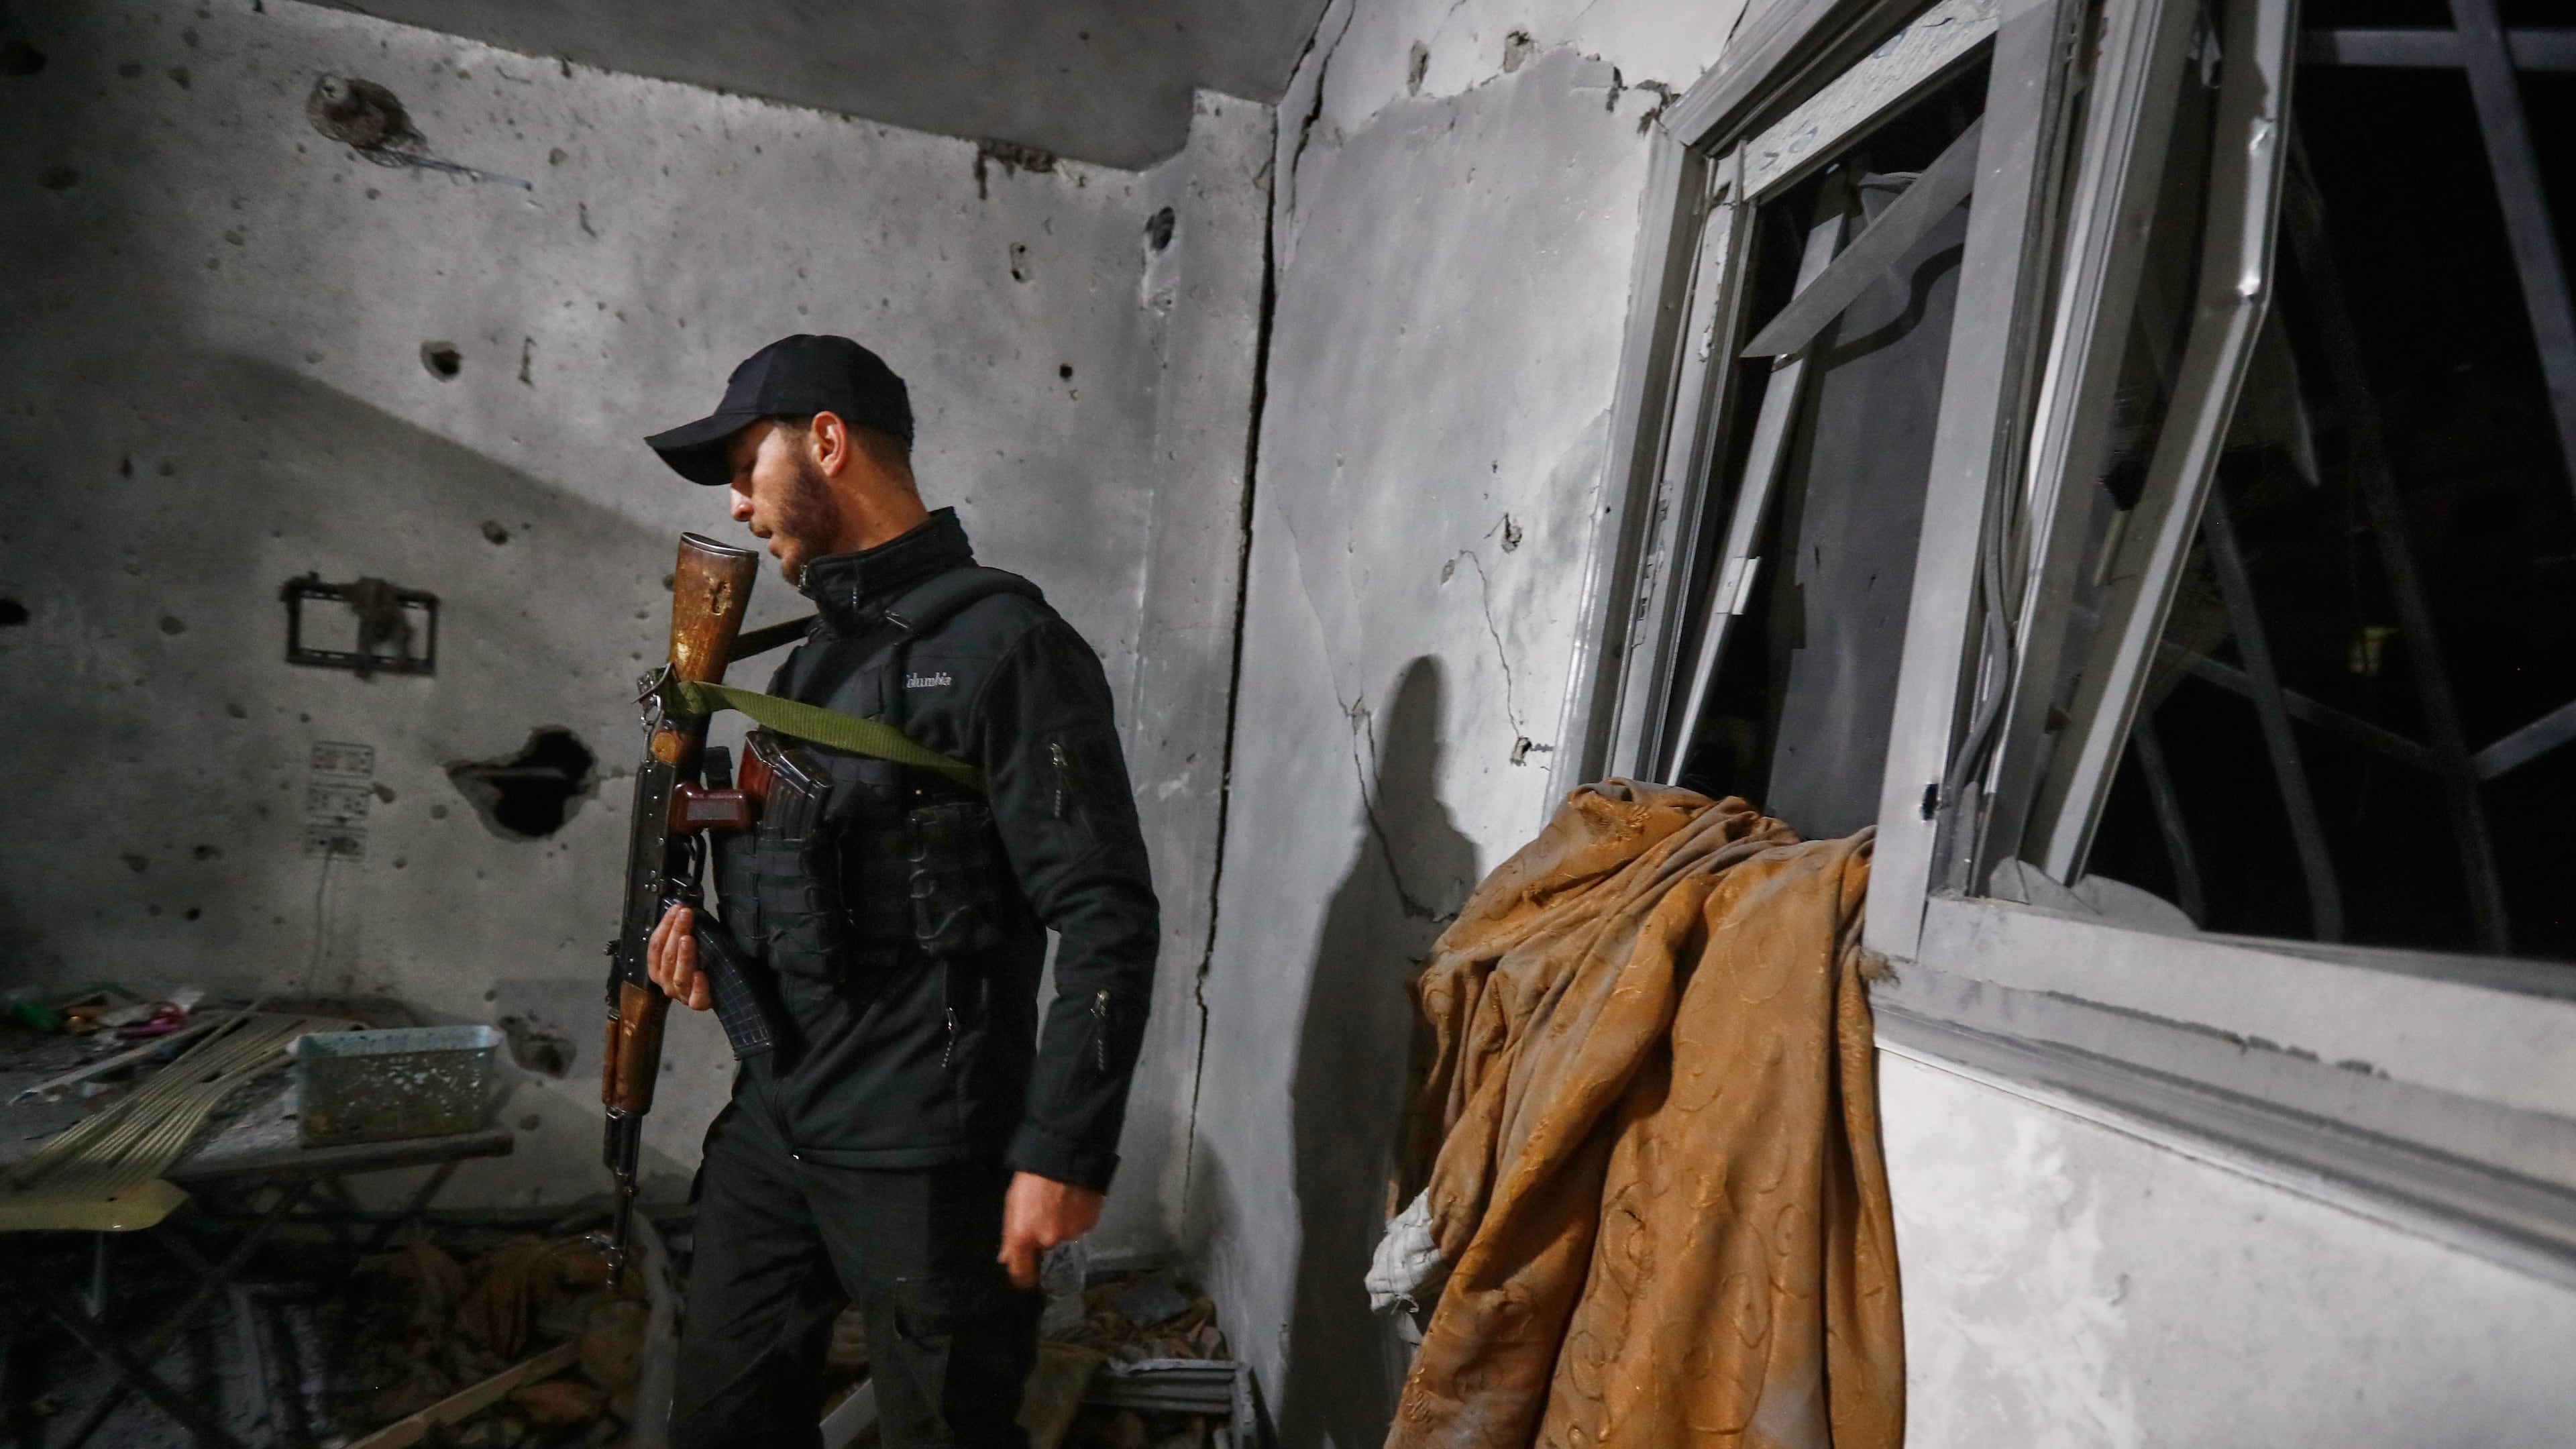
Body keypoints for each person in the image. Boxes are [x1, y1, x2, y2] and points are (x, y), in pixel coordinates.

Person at [639, 334, 1160, 1449]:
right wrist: (710, 951)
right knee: (718, 1424)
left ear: (825, 443)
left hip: (928, 1152)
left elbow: (1106, 915)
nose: (735, 506)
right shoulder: (807, 662)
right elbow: (814, 874)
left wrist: (1064, 1151)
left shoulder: (1010, 648)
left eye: (745, 468)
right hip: (775, 1118)